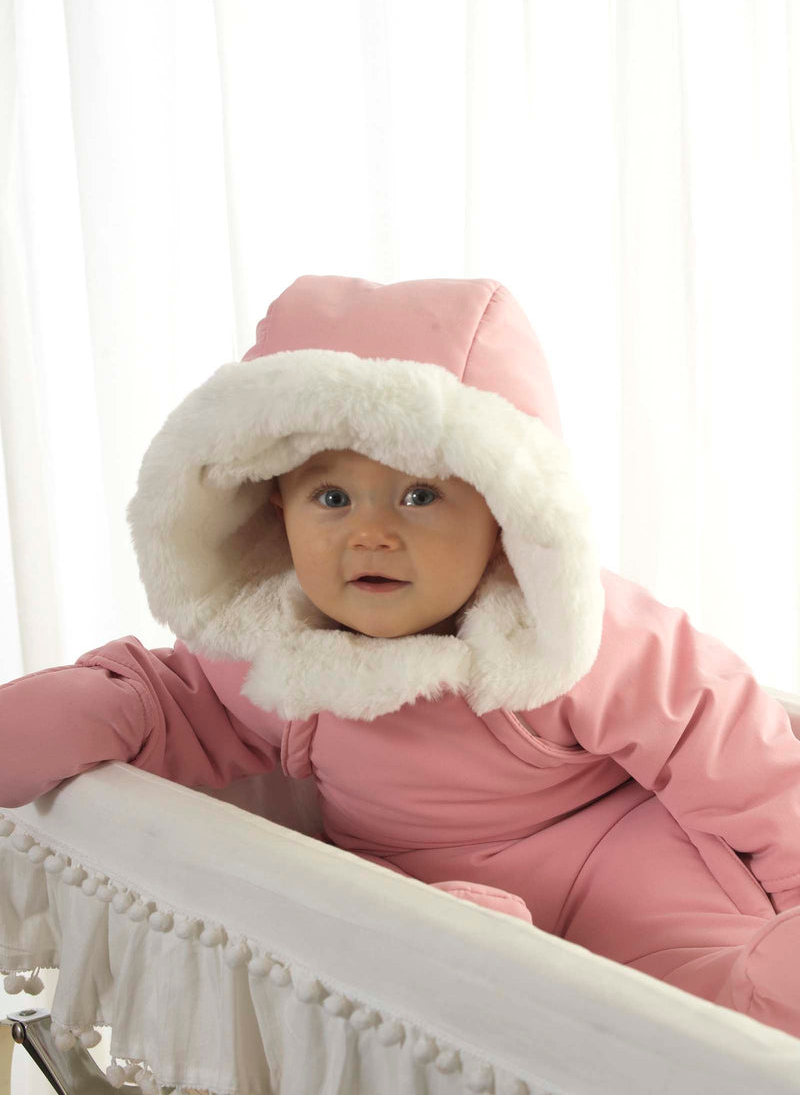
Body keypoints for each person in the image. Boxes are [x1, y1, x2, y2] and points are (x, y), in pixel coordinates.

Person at [2, 273, 800, 1042]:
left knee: (702, 994)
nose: (372, 535)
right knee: (404, 957)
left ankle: (758, 995)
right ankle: (496, 992)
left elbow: (732, 746)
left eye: (420, 496)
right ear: (275, 504)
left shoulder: (564, 628)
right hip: (425, 886)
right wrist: (95, 708)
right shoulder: (275, 643)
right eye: (332, 498)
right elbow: (175, 706)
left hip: (620, 850)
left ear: (503, 511)